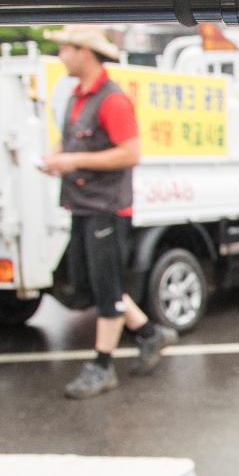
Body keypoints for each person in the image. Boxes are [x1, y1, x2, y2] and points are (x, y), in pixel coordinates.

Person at [40, 27, 178, 400]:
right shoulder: (75, 97)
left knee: (106, 291)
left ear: (85, 52)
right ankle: (149, 333)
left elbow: (131, 152)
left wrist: (73, 160)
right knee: (86, 285)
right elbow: (70, 141)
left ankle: (102, 366)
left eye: (65, 48)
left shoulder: (112, 99)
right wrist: (57, 158)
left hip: (107, 208)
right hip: (82, 205)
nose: (60, 55)